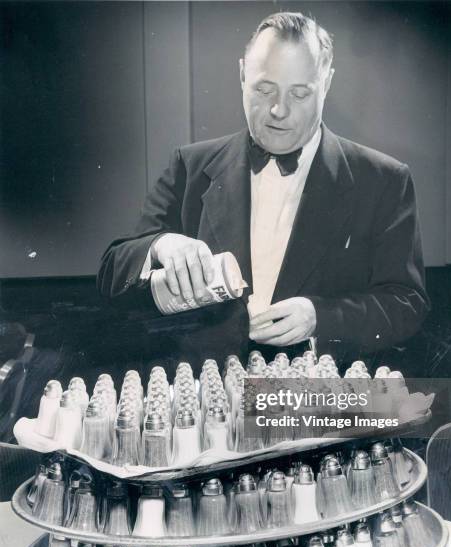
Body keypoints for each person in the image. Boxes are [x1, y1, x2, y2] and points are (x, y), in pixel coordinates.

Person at [97, 12, 429, 363]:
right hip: (209, 391)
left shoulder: (384, 179)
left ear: (327, 83)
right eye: (264, 88)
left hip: (318, 395)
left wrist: (321, 317)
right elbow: (111, 273)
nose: (278, 109)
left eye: (300, 94)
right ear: (242, 75)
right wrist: (161, 245)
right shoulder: (189, 165)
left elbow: (406, 303)